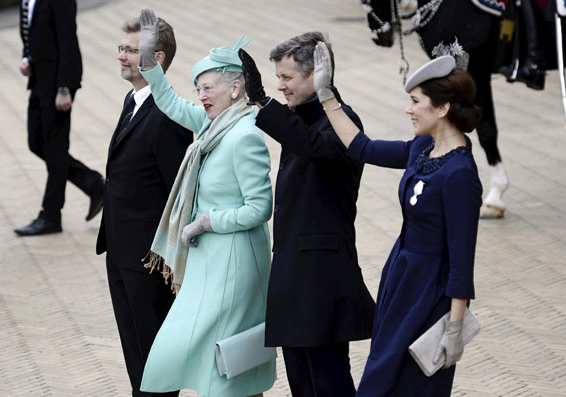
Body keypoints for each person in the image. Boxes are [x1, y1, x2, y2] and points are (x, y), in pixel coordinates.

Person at [313, 44, 482, 396]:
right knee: (380, 377)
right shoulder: (422, 147)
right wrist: (327, 95)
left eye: (416, 102)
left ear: (443, 108)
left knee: (410, 385)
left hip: (429, 293)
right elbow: (362, 147)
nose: (409, 110)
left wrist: (454, 325)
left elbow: (462, 259)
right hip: (401, 280)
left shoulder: (460, 174)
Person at [136, 9, 275, 397]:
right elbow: (172, 105)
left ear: (234, 88)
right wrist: (151, 67)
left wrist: (205, 222)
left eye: (208, 87)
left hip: (236, 260)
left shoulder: (245, 134)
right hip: (206, 259)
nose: (200, 96)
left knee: (229, 358)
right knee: (201, 350)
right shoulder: (213, 124)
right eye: (198, 87)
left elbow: (259, 209)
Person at [238, 32, 375, 396]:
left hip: (322, 280)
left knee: (328, 384)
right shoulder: (301, 119)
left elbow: (317, 149)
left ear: (318, 75)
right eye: (277, 78)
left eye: (286, 78)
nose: (280, 86)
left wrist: (262, 102)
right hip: (294, 279)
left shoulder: (342, 121)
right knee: (302, 384)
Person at [95, 16, 192, 397]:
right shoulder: (133, 100)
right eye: (121, 47)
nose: (121, 56)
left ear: (158, 58)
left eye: (131, 50)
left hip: (148, 262)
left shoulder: (169, 116)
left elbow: (178, 194)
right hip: (119, 250)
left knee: (154, 363)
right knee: (136, 360)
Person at [15, 0, 104, 236]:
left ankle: (51, 216)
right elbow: (32, 30)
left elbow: (68, 40)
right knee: (37, 144)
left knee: (55, 149)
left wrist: (64, 87)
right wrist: (27, 58)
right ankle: (94, 184)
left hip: (58, 83)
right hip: (39, 80)